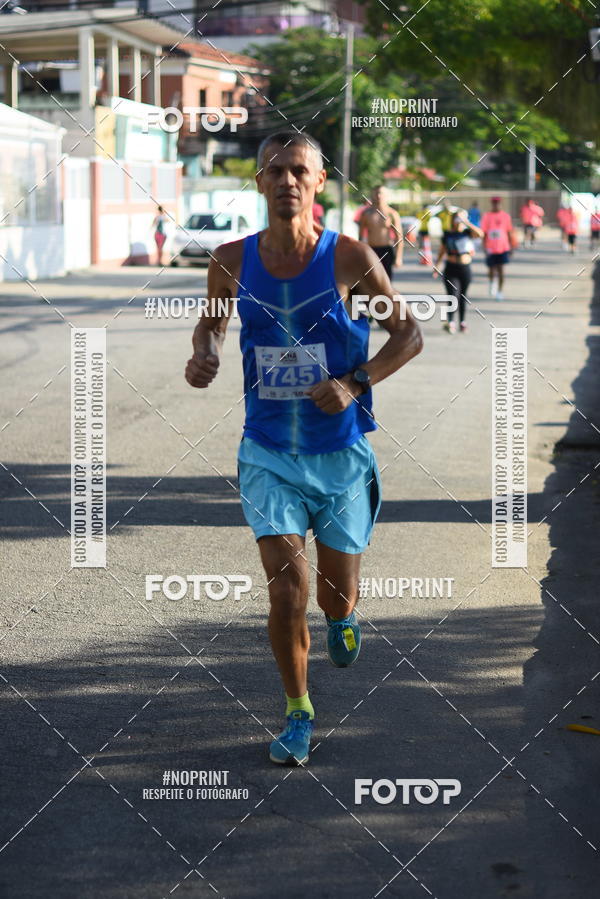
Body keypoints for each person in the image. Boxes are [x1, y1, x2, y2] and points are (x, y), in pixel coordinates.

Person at [184, 131, 422, 766]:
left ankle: (343, 617)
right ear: (259, 182)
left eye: (298, 171)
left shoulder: (349, 259)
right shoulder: (230, 260)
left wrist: (355, 382)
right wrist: (204, 353)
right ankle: (298, 712)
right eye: (275, 170)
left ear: (319, 182)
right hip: (267, 451)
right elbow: (211, 324)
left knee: (334, 595)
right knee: (287, 590)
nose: (287, 180)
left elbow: (408, 335)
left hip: (339, 453)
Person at [433, 210, 484, 333]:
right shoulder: (447, 234)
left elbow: (480, 234)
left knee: (463, 296)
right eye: (457, 218)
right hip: (451, 268)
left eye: (461, 218)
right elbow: (442, 251)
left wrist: (466, 222)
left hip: (465, 268)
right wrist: (436, 267)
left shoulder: (467, 233)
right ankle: (450, 322)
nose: (459, 220)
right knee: (452, 295)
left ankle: (462, 322)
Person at [357, 185, 404, 280]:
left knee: (386, 281)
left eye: (381, 193)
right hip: (372, 250)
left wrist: (399, 257)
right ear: (372, 195)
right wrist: (360, 255)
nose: (378, 196)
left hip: (386, 251)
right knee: (372, 280)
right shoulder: (366, 214)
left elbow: (399, 237)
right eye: (376, 193)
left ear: (386, 195)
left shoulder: (392, 214)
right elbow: (360, 237)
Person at [481, 196, 516, 301]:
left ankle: (500, 291)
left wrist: (511, 247)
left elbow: (509, 231)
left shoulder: (505, 216)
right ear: (492, 204)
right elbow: (484, 233)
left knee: (501, 270)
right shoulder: (487, 216)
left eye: (498, 203)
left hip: (503, 247)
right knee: (491, 269)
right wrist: (484, 246)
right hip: (491, 247)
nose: (496, 205)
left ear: (500, 204)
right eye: (494, 203)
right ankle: (492, 282)